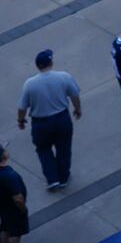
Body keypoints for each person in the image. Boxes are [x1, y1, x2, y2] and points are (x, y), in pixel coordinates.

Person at [18, 47, 82, 190]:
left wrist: (21, 120)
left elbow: (22, 107)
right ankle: (63, 177)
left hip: (41, 124)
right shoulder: (64, 76)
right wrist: (77, 109)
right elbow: (74, 95)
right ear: (51, 63)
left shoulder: (30, 83)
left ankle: (52, 179)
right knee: (64, 149)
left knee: (43, 149)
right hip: (61, 120)